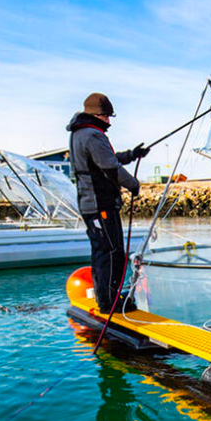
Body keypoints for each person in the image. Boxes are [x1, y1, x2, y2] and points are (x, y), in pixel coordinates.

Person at [67, 93, 149, 312]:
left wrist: (133, 154)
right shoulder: (93, 135)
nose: (109, 121)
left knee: (101, 251)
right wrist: (133, 185)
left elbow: (107, 158)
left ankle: (105, 296)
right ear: (96, 114)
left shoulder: (80, 133)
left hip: (91, 204)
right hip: (100, 204)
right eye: (106, 116)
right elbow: (110, 168)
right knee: (112, 252)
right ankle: (109, 303)